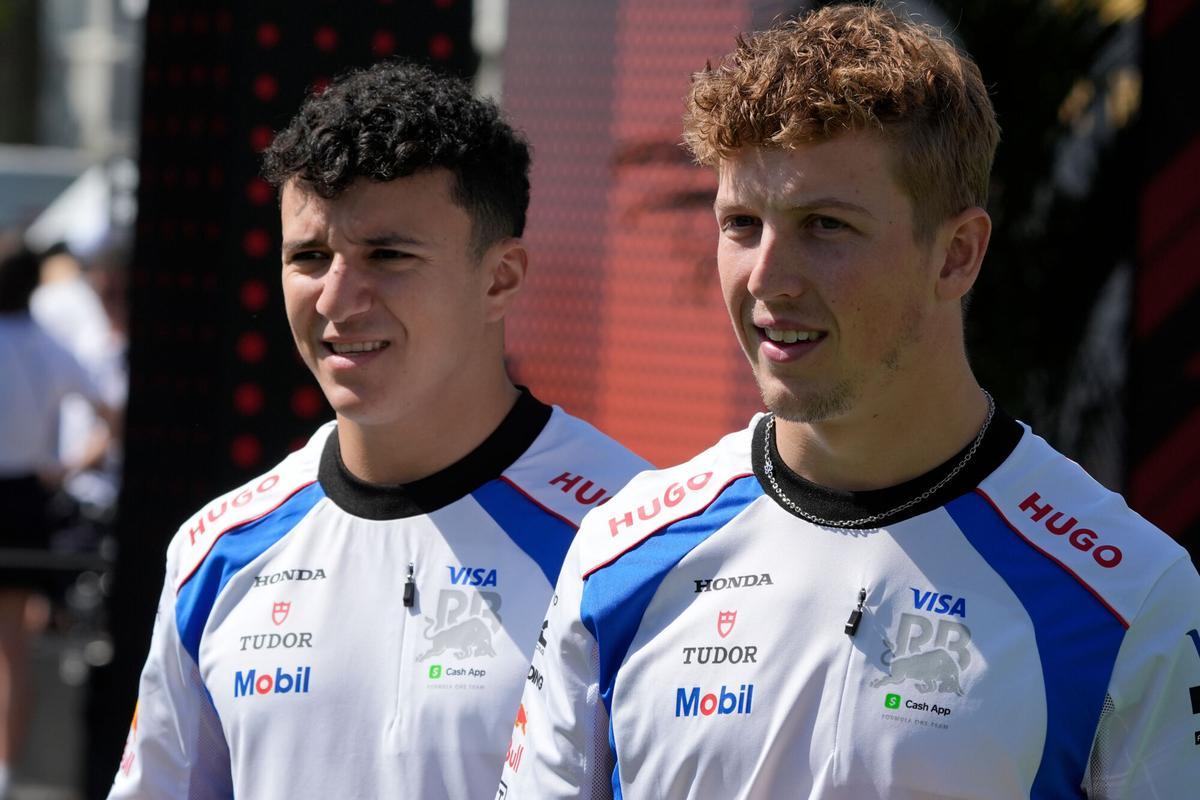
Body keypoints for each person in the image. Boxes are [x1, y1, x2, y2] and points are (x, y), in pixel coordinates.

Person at [497, 6, 1200, 799]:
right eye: (741, 224)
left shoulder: (1123, 592)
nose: (766, 278)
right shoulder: (619, 556)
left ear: (957, 254)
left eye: (824, 225)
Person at [109, 62, 648, 800]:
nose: (336, 299)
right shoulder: (217, 551)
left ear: (501, 278)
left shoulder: (632, 538)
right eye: (309, 257)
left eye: (387, 256)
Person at [0, 234, 117, 798]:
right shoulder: (49, 346)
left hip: (22, 490)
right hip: (25, 497)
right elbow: (109, 418)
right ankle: (4, 773)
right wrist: (65, 469)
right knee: (11, 646)